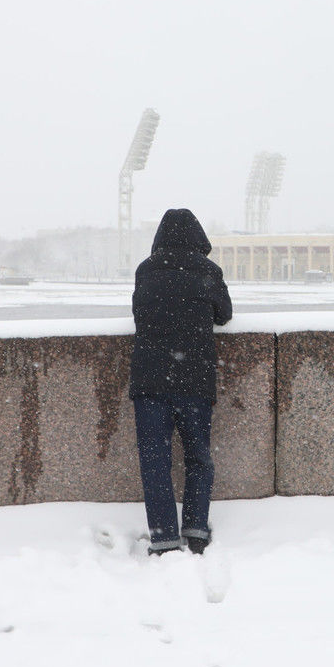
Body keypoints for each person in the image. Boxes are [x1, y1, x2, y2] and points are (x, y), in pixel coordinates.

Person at [129, 208, 232, 555]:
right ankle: (196, 531)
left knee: (155, 462)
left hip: (150, 382)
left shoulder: (145, 269)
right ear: (198, 237)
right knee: (198, 458)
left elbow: (138, 312)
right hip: (194, 380)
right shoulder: (208, 271)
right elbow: (225, 313)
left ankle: (164, 539)